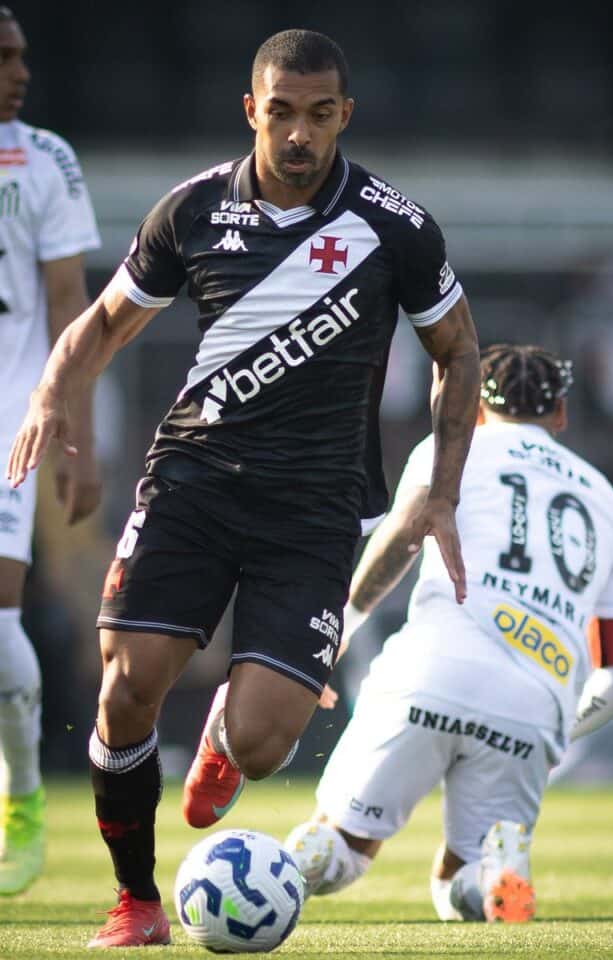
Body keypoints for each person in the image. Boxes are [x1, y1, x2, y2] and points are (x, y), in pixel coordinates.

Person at [6, 28, 479, 948]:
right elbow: (100, 325)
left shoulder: (394, 226)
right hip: (192, 484)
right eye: (283, 112)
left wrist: (441, 493)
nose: (300, 134)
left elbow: (457, 351)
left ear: (344, 114)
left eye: (320, 114)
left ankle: (225, 736)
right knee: (126, 692)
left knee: (265, 746)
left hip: (313, 510)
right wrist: (49, 397)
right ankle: (137, 901)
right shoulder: (192, 212)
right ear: (252, 109)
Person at [279, 343, 613, 923]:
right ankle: (489, 875)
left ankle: (284, 870)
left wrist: (340, 628)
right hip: (533, 704)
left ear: (474, 408)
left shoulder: (449, 452)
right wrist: (556, 727)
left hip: (428, 674)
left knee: (342, 847)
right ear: (560, 415)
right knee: (459, 890)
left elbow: (402, 537)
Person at [0, 7, 101, 896]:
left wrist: (80, 437)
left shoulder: (44, 159)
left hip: (9, 419)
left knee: (1, 629)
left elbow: (72, 305)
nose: (20, 70)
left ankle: (23, 792)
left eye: (23, 55)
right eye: (3, 57)